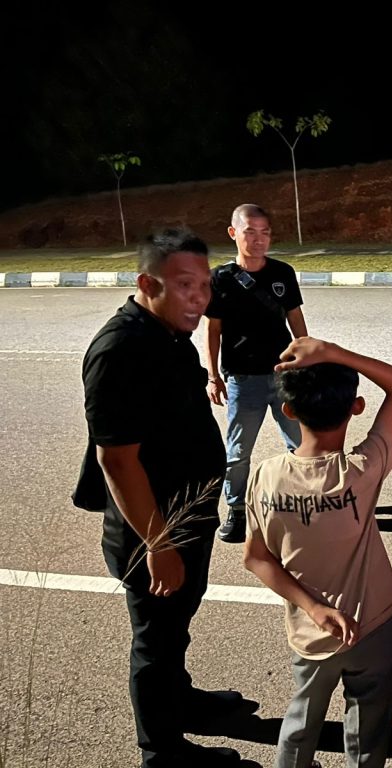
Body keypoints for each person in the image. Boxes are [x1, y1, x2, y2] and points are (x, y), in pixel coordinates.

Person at [78, 229, 252, 767]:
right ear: (147, 283)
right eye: (184, 285)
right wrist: (159, 543)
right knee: (155, 639)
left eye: (204, 285)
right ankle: (162, 753)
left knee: (175, 626)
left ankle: (182, 702)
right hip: (152, 528)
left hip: (186, 515)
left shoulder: (168, 333)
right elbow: (117, 460)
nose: (199, 298)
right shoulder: (120, 350)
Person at [243, 336, 392, 768]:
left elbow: (256, 557)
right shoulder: (361, 471)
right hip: (373, 626)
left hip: (312, 632)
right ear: (356, 407)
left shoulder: (266, 476)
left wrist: (315, 608)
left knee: (300, 725)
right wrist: (334, 353)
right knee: (369, 731)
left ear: (288, 410)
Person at [205, 203, 308, 543]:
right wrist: (213, 376)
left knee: (300, 445)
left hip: (283, 375)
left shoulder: (283, 273)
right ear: (233, 233)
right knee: (238, 452)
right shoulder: (220, 279)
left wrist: (306, 361)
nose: (258, 239)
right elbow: (213, 330)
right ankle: (236, 510)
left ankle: (304, 505)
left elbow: (296, 320)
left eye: (265, 232)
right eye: (250, 231)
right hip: (243, 380)